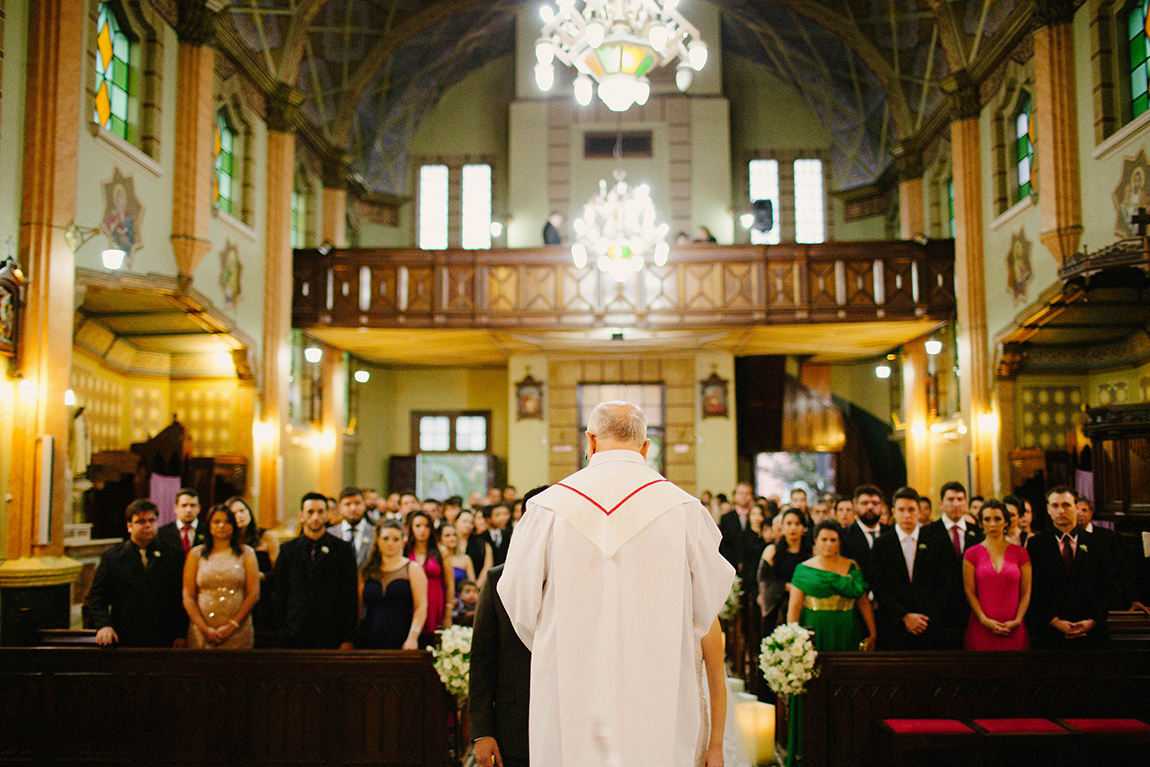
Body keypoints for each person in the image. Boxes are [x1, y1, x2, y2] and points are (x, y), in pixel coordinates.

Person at [498, 401, 735, 767]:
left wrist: (561, 645)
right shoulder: (684, 509)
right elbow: (707, 605)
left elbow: (517, 601)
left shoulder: (548, 508)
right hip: (658, 681)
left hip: (570, 683)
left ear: (589, 442)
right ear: (645, 447)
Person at [785, 519, 877, 767]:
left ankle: (844, 749)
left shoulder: (851, 565)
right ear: (815, 541)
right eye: (823, 539)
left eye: (833, 539)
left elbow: (863, 601)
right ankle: (810, 749)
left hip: (847, 629)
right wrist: (792, 642)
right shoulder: (804, 568)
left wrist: (872, 632)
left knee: (846, 689)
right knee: (813, 689)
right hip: (815, 631)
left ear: (839, 542)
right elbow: (794, 609)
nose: (828, 544)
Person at [88, 499, 186, 647]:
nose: (147, 525)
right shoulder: (113, 557)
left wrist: (181, 633)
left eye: (151, 520)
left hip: (163, 636)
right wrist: (104, 625)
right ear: (129, 526)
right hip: (124, 636)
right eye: (141, 521)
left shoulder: (173, 555)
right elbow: (97, 596)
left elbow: (181, 597)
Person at [1027, 486, 1116, 648]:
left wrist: (1092, 621)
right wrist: (1054, 621)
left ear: (1076, 507)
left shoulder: (1098, 543)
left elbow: (1107, 585)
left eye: (1066, 505)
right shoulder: (1036, 545)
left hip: (1092, 634)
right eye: (1055, 506)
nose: (1061, 510)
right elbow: (1034, 588)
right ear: (1048, 509)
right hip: (1051, 634)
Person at [273, 492, 359, 649]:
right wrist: (281, 631)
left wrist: (348, 637)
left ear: (327, 515)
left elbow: (349, 596)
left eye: (320, 512)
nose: (315, 517)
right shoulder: (288, 550)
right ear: (301, 516)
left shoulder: (343, 550)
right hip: (294, 633)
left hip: (331, 632)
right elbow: (280, 593)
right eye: (310, 512)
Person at [869, 487, 949, 650]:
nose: (907, 515)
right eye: (901, 510)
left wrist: (925, 618)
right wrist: (903, 616)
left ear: (919, 512)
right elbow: (878, 586)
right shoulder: (881, 544)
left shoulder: (936, 541)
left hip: (929, 626)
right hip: (894, 627)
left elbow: (945, 584)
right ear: (893, 512)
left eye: (911, 510)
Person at [471, 563, 533, 767]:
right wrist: (482, 733)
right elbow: (482, 660)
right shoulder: (498, 579)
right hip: (514, 723)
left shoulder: (579, 578)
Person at [182, 504, 259, 649]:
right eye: (216, 521)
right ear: (209, 525)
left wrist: (232, 625)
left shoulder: (246, 553)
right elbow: (188, 595)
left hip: (238, 629)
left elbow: (253, 593)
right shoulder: (196, 554)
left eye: (227, 521)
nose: (221, 525)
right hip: (202, 629)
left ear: (233, 525)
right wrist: (204, 628)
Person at [920, 481, 984, 648]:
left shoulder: (977, 533)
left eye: (960, 499)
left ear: (965, 502)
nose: (956, 504)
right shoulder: (927, 533)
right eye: (950, 499)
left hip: (971, 608)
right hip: (938, 611)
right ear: (941, 504)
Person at [963, 500, 1031, 650]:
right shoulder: (971, 553)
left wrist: (1018, 620)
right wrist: (983, 619)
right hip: (981, 627)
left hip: (1014, 627)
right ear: (981, 523)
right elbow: (969, 591)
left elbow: (1026, 592)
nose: (992, 524)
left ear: (1006, 522)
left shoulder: (1020, 553)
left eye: (997, 519)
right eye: (987, 519)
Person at [358, 519, 427, 650]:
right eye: (385, 538)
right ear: (378, 540)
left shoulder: (412, 569)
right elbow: (359, 607)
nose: (390, 543)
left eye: (395, 539)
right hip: (369, 635)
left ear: (403, 541)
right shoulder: (366, 570)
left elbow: (421, 607)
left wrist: (412, 637)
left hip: (402, 636)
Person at [1076, 497, 1148, 614]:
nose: (1079, 514)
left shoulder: (1108, 537)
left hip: (1105, 599)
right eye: (1076, 510)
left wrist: (1133, 599)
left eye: (1084, 510)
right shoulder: (1067, 538)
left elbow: (1122, 569)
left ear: (1091, 513)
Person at [758, 509, 811, 638]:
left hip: (804, 607)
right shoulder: (772, 551)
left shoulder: (811, 553)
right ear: (782, 527)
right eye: (789, 523)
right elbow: (764, 580)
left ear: (803, 527)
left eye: (798, 524)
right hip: (776, 609)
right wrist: (787, 587)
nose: (793, 527)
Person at [407, 509, 453, 640]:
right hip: (411, 600)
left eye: (426, 526)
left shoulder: (441, 551)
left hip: (434, 599)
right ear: (411, 528)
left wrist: (448, 614)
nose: (422, 530)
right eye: (418, 526)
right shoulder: (405, 550)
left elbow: (449, 584)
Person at [839, 484, 889, 575]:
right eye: (864, 503)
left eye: (875, 503)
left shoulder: (891, 533)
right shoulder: (844, 535)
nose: (870, 507)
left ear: (882, 505)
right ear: (855, 505)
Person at [719, 481, 755, 575]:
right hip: (731, 563)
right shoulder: (727, 518)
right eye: (741, 493)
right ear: (734, 496)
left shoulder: (756, 515)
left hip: (752, 564)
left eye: (747, 493)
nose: (744, 496)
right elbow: (724, 543)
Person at [157, 488, 205, 557]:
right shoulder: (163, 533)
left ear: (199, 508)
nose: (188, 510)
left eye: (193, 505)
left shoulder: (207, 531)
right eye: (184, 505)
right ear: (175, 508)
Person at [335, 486, 374, 568]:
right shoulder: (331, 533)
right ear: (339, 508)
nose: (353, 508)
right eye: (347, 504)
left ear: (364, 505)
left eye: (357, 503)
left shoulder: (375, 533)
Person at [457, 509, 493, 588]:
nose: (468, 525)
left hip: (477, 585)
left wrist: (476, 586)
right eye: (464, 521)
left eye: (471, 523)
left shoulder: (481, 543)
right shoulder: (449, 541)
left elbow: (487, 566)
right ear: (455, 522)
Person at [440, 522, 476, 587]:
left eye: (454, 535)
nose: (452, 538)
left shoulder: (465, 559)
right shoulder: (436, 559)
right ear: (439, 539)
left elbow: (472, 585)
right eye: (447, 536)